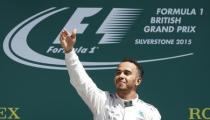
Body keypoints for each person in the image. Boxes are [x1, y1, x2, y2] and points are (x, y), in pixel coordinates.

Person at [60, 28, 161, 120]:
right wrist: (69, 52)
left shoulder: (150, 112)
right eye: (118, 72)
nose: (121, 76)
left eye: (127, 73)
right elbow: (81, 81)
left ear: (138, 81)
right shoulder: (102, 100)